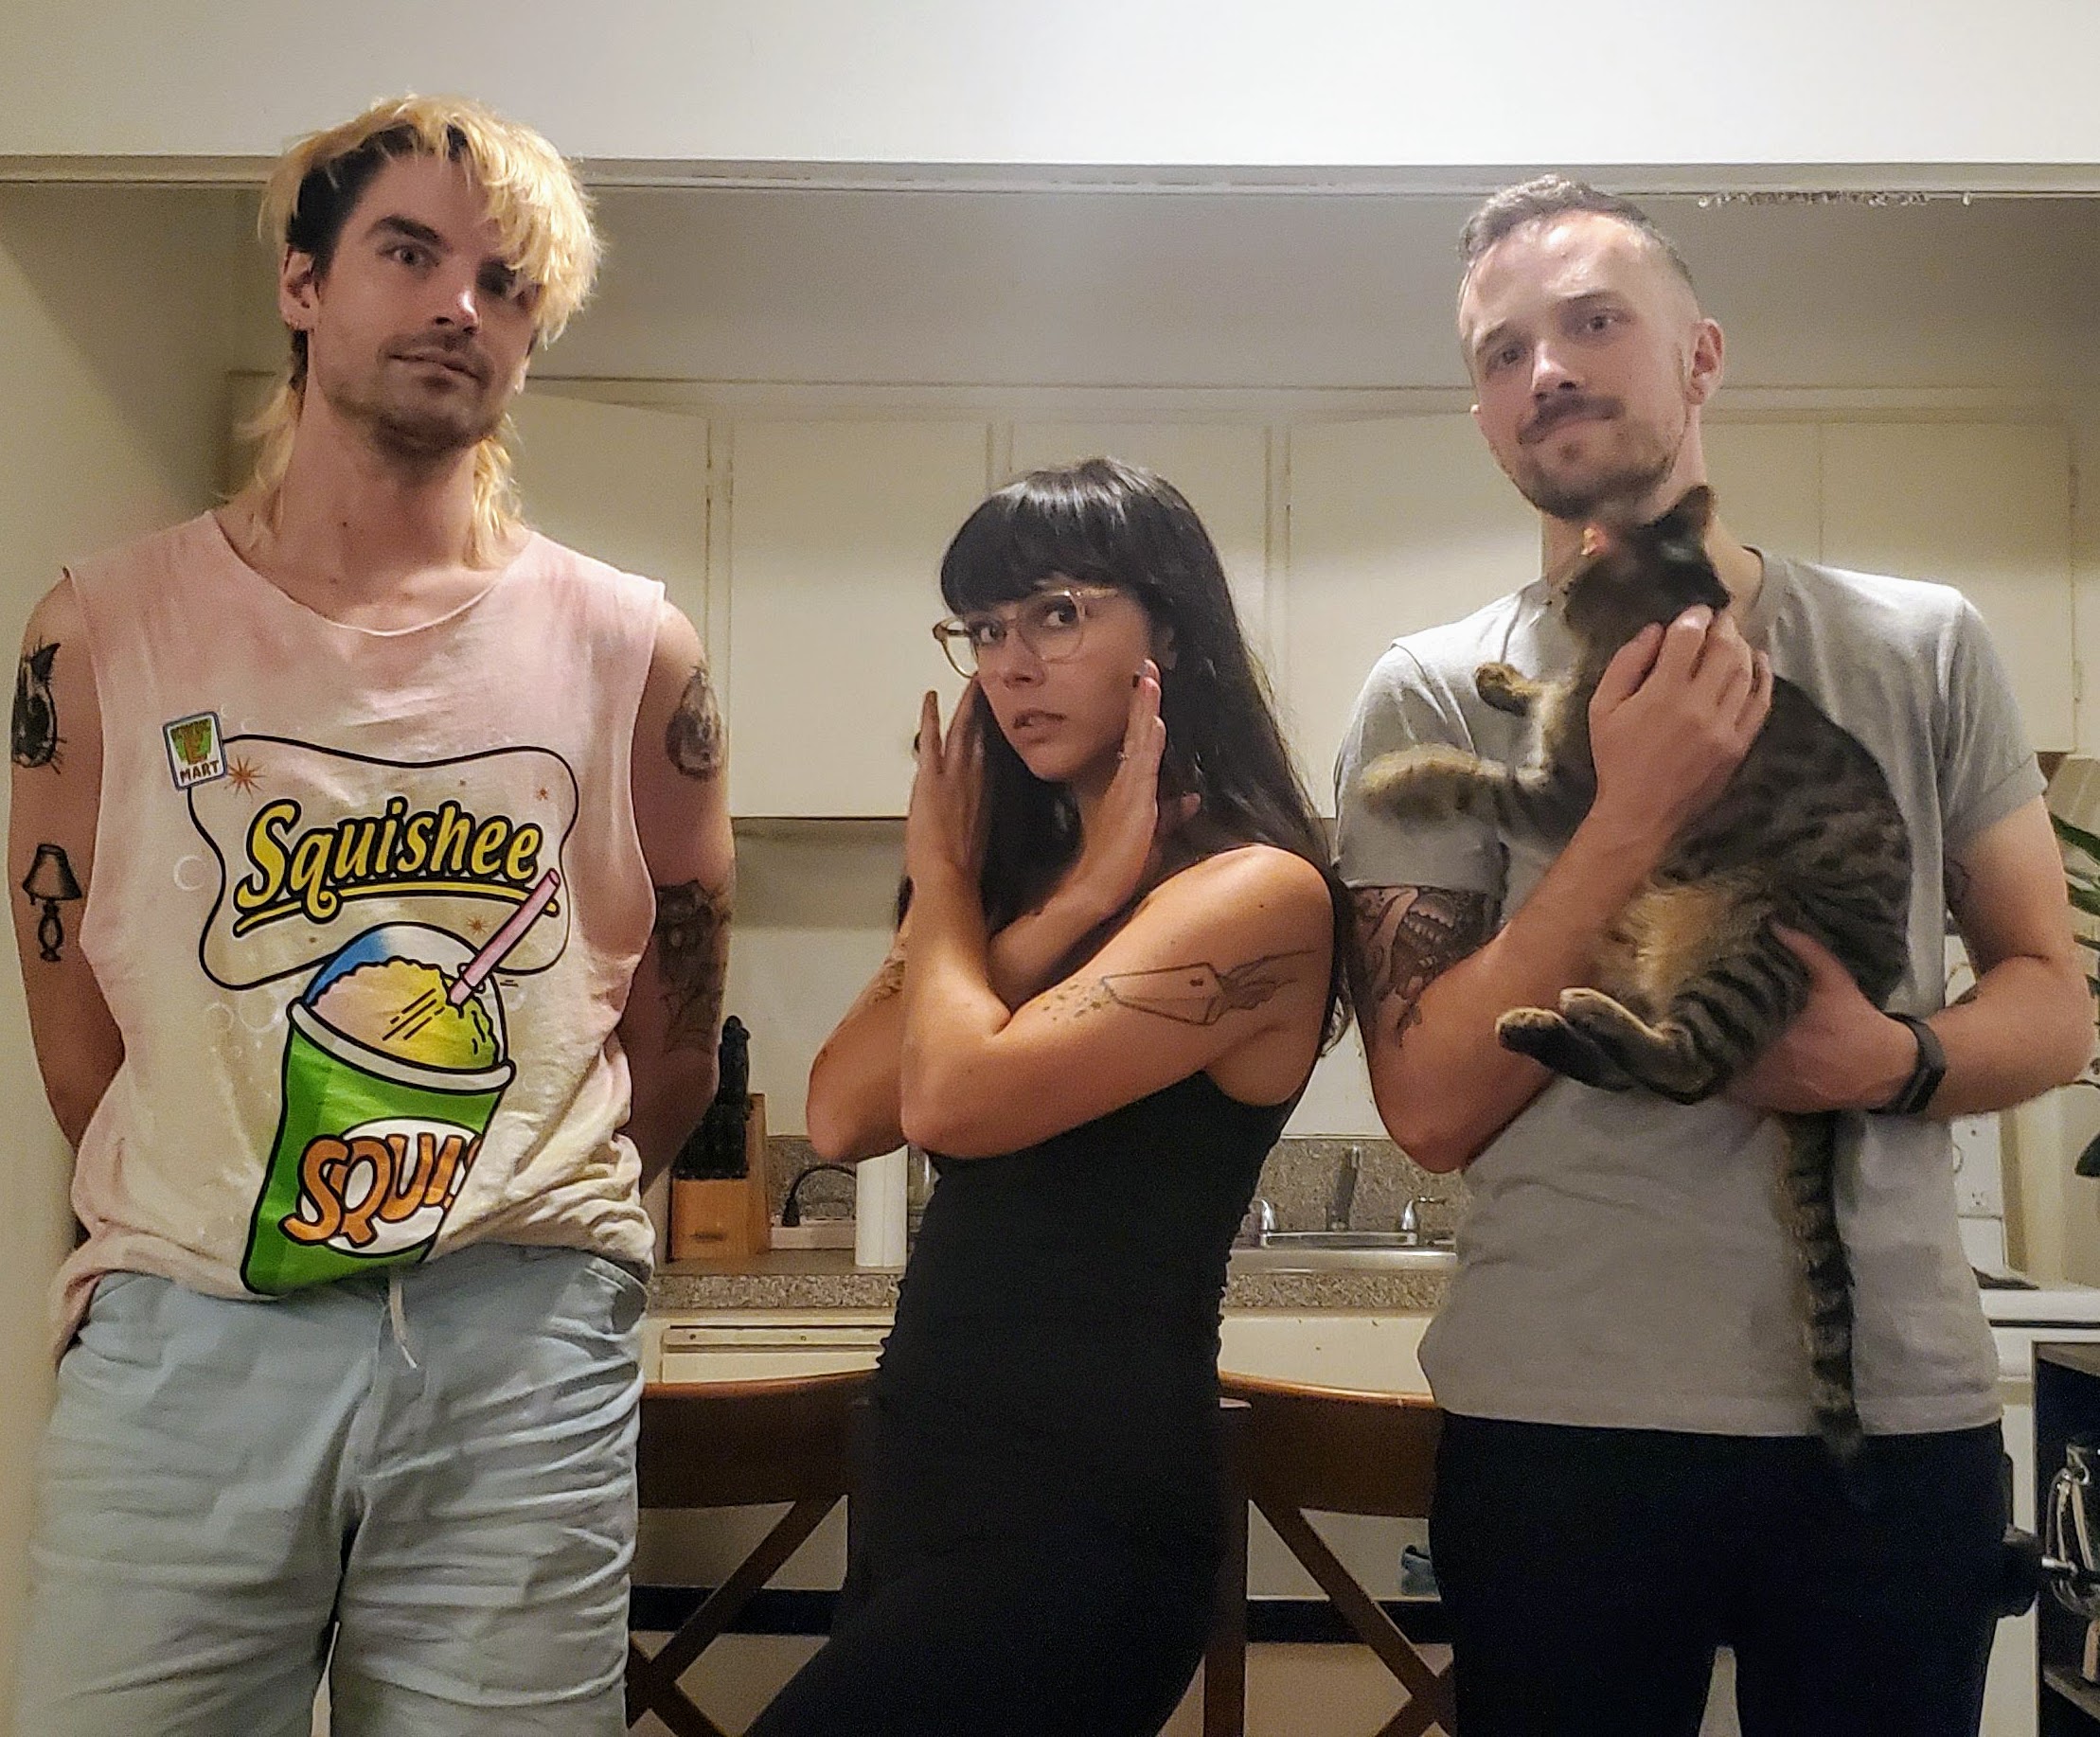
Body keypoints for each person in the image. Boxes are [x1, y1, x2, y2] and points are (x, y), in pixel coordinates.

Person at [9, 96, 734, 1734]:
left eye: (507, 283)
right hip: (186, 1341)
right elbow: (80, 1051)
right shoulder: (98, 635)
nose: (458, 306)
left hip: (518, 1349)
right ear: (302, 281)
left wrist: (514, 1229)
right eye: (408, 253)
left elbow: (674, 1041)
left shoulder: (633, 652)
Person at [1334, 175, 2091, 1737]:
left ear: (1701, 356)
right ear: (1483, 416)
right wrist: (1628, 815)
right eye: (1500, 353)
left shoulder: (1918, 645)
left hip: (1892, 1414)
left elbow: (2050, 1005)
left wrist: (1889, 1060)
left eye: (1592, 322)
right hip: (1559, 1421)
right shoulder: (1429, 689)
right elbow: (1429, 1105)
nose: (1545, 369)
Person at [752, 458, 1344, 1737]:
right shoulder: (1016, 890)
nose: (1011, 666)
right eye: (984, 628)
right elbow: (847, 1114)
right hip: (926, 1479)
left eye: (1058, 614)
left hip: (1081, 1516)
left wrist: (943, 884)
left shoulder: (1256, 892)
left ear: (1168, 632)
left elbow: (950, 1104)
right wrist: (1061, 904)